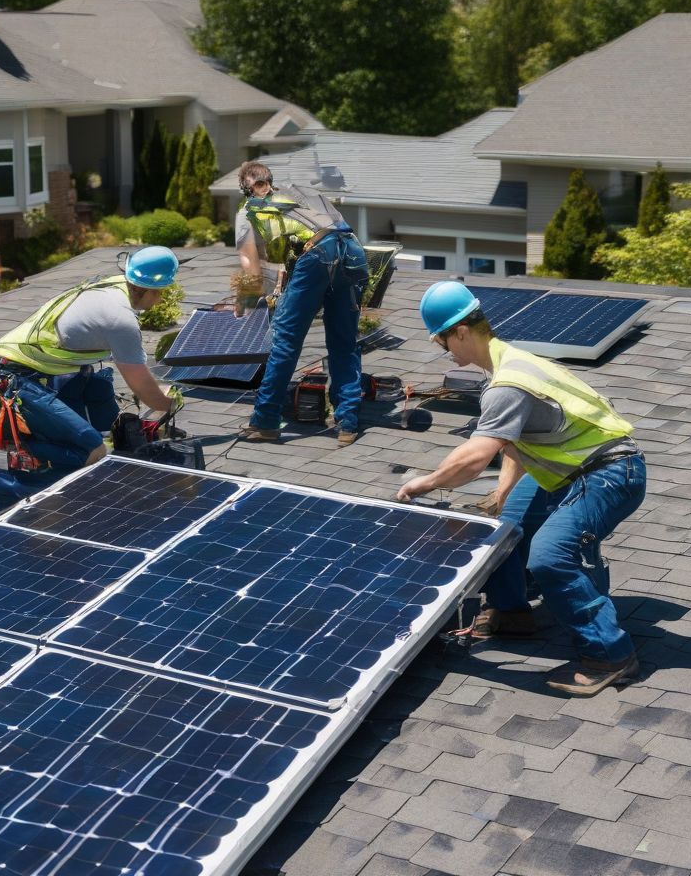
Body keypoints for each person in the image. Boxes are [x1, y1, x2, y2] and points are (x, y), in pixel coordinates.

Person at [396, 281, 645, 696]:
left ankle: (610, 655)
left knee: (551, 556)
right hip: (569, 472)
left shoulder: (507, 384)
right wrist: (503, 492)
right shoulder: (511, 363)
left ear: (460, 331)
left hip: (610, 473)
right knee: (504, 532)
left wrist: (425, 483)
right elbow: (516, 441)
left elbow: (476, 458)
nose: (448, 354)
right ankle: (513, 613)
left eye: (444, 343)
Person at [0, 245, 182, 512]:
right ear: (154, 290)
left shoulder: (114, 286)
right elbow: (143, 388)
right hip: (14, 382)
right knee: (92, 451)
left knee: (98, 413)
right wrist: (168, 403)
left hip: (31, 373)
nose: (161, 299)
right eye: (162, 293)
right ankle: (11, 485)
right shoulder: (121, 319)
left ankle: (38, 459)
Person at [235, 160, 369, 446]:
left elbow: (251, 265)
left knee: (285, 340)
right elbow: (331, 235)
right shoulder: (303, 195)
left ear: (246, 189)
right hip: (353, 254)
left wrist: (245, 301)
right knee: (344, 343)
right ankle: (347, 423)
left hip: (317, 258)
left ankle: (266, 421)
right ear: (271, 180)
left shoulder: (249, 210)